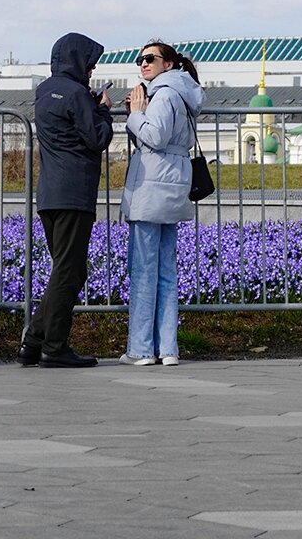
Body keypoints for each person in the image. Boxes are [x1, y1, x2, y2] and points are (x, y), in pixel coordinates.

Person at [17, 32, 114, 368]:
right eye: (90, 62)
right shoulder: (77, 94)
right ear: (78, 60)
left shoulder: (44, 92)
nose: (91, 68)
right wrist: (103, 111)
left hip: (49, 194)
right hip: (75, 193)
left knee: (66, 271)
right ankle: (53, 346)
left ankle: (33, 343)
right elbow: (97, 138)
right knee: (69, 272)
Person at [119, 41, 205, 366]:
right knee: (166, 270)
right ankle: (168, 348)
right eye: (140, 58)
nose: (143, 63)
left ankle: (141, 349)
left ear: (168, 64)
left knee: (143, 268)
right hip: (173, 185)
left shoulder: (164, 93)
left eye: (150, 58)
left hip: (151, 187)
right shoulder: (182, 92)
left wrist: (135, 114)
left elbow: (154, 137)